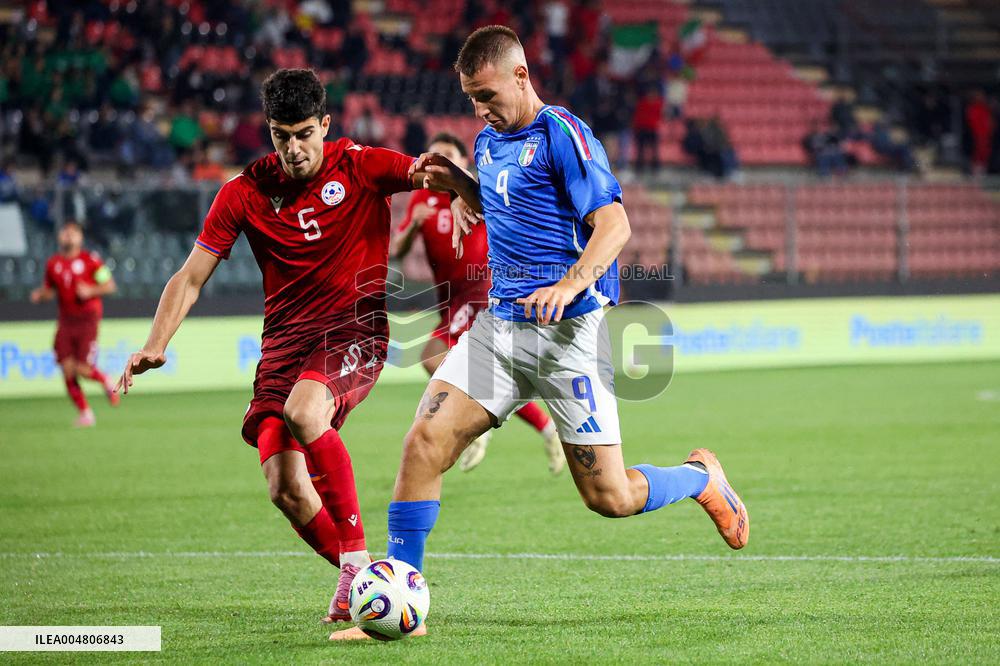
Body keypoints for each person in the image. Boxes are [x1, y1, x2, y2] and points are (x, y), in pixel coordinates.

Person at [330, 25, 750, 641]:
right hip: (500, 330)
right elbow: (506, 205)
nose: (480, 109)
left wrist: (568, 284)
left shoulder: (563, 134)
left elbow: (615, 225)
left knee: (610, 497)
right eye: (471, 98)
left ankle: (700, 478)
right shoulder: (487, 141)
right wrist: (460, 185)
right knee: (423, 443)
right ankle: (398, 606)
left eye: (487, 94)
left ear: (521, 76)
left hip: (568, 337)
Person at [114, 69, 425, 630]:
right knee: (284, 487)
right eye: (282, 136)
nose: (294, 148)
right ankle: (370, 585)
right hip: (283, 348)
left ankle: (359, 568)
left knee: (305, 412)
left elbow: (429, 172)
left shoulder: (359, 165)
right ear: (269, 131)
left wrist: (467, 196)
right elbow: (190, 276)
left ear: (324, 124)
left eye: (304, 133)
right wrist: (155, 344)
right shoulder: (245, 191)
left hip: (352, 331)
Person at [391, 132, 565, 474]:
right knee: (474, 367)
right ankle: (539, 427)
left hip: (480, 288)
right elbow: (397, 249)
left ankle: (476, 424)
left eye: (447, 157)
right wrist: (414, 226)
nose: (438, 164)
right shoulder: (422, 199)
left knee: (432, 355)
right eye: (433, 157)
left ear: (463, 163)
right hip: (450, 297)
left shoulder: (477, 191)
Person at [30, 219, 119, 427]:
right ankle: (86, 413)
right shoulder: (53, 264)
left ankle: (105, 379)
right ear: (59, 236)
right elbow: (49, 290)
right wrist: (40, 295)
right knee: (67, 368)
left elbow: (110, 285)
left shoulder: (91, 260)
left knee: (83, 368)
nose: (68, 235)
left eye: (73, 232)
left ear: (80, 238)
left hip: (87, 320)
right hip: (65, 322)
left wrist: (91, 290)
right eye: (65, 231)